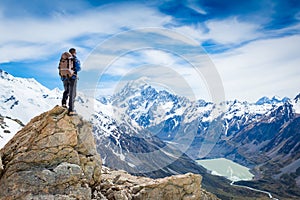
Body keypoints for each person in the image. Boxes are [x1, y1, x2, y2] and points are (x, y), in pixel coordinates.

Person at [61, 48, 81, 116]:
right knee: (72, 93)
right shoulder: (74, 59)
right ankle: (71, 110)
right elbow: (78, 68)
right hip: (72, 77)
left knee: (66, 91)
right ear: (74, 52)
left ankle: (63, 104)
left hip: (64, 77)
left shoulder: (64, 58)